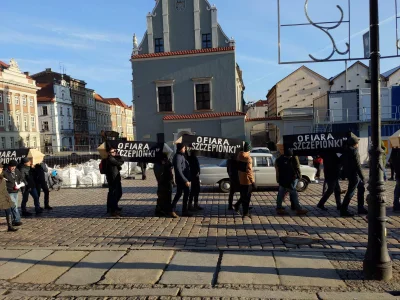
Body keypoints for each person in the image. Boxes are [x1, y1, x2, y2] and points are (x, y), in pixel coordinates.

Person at [275, 149, 308, 216]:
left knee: (280, 195)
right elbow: (294, 171)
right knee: (294, 195)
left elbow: (277, 170)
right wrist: (297, 177)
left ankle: (279, 208)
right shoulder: (290, 161)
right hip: (290, 182)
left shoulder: (279, 159)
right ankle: (298, 209)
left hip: (282, 181)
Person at [340, 135, 367, 217]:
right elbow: (358, 165)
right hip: (354, 175)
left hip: (349, 174)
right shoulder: (354, 151)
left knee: (361, 188)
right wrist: (363, 177)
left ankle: (360, 207)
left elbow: (342, 162)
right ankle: (343, 210)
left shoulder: (345, 151)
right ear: (355, 144)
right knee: (350, 192)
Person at [235, 142, 256, 218]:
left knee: (243, 195)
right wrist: (252, 181)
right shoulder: (248, 158)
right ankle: (245, 213)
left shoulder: (239, 155)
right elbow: (249, 171)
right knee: (247, 197)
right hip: (247, 180)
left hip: (240, 178)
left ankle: (238, 206)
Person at [154, 153, 178, 218]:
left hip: (167, 182)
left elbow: (170, 173)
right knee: (162, 197)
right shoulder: (158, 164)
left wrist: (172, 182)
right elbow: (159, 174)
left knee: (167, 196)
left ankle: (166, 209)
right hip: (162, 183)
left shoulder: (166, 163)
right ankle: (160, 210)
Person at [172, 143, 192, 217]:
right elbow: (178, 170)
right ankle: (172, 209)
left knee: (185, 194)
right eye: (184, 148)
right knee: (178, 194)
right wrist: (185, 180)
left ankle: (184, 210)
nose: (185, 149)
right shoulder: (177, 157)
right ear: (180, 148)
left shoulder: (181, 155)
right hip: (181, 180)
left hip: (185, 179)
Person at [3, 160, 23, 226]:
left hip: (16, 191)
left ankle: (13, 220)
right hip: (9, 192)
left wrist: (20, 184)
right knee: (14, 205)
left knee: (15, 206)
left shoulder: (17, 171)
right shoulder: (5, 173)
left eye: (14, 166)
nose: (13, 168)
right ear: (9, 166)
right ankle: (17, 220)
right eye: (12, 166)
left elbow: (21, 178)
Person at [105, 146, 124, 217]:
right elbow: (120, 162)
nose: (114, 153)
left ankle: (113, 207)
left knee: (118, 193)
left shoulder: (112, 158)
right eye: (112, 152)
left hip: (115, 178)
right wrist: (120, 156)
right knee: (114, 194)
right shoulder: (110, 159)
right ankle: (113, 210)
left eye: (115, 151)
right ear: (109, 153)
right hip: (112, 179)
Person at [0, 164, 18, 232]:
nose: (0, 170)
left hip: (5, 197)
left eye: (1, 169)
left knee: (8, 211)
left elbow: (5, 188)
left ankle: (10, 226)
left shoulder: (2, 177)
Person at [392, 147, 400, 212]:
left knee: (397, 189)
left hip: (398, 172)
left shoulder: (395, 149)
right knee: (398, 189)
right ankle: (396, 205)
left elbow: (393, 160)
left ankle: (396, 204)